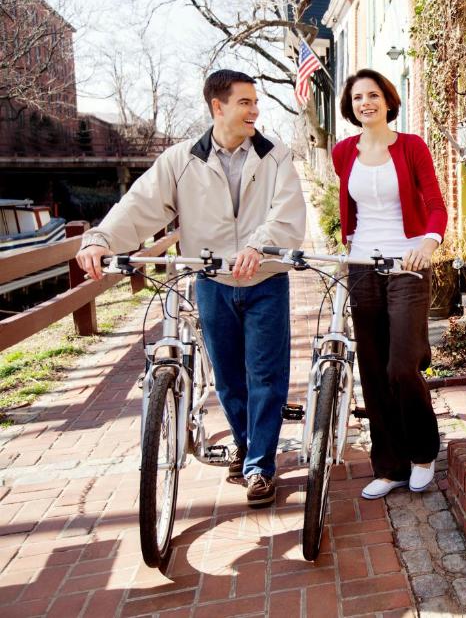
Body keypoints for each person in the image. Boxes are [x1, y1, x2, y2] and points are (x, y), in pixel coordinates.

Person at [75, 70, 306, 507]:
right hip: (212, 281)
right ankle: (246, 446)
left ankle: (259, 466)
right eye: (245, 102)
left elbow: (287, 210)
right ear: (218, 107)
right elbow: (141, 205)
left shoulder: (276, 155)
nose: (255, 109)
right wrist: (102, 238)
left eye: (255, 102)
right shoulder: (181, 159)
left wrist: (259, 244)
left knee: (266, 376)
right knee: (228, 380)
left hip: (265, 280)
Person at [331, 68, 447, 500]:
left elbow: (435, 204)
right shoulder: (343, 152)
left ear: (388, 100)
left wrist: (428, 242)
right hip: (361, 264)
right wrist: (345, 251)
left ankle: (422, 454)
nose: (366, 102)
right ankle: (390, 465)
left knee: (402, 365)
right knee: (374, 371)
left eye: (374, 94)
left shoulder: (412, 147)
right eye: (359, 97)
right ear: (351, 106)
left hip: (406, 263)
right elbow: (351, 214)